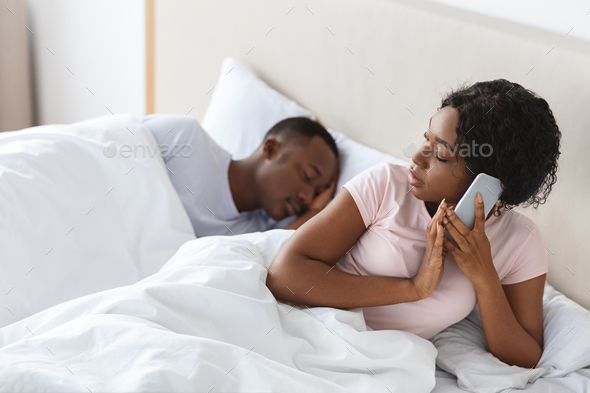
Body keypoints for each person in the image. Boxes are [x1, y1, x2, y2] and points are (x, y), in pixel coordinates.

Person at [266, 79, 561, 369]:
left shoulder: (520, 240)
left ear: (489, 183)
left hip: (383, 363)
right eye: (426, 138)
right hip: (310, 330)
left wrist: (484, 275)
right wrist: (414, 287)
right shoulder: (387, 184)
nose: (418, 157)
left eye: (442, 155)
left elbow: (525, 356)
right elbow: (284, 276)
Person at [141, 115, 339, 237]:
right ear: (271, 150)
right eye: (307, 176)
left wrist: (315, 211)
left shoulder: (254, 234)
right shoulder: (185, 139)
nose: (307, 197)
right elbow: (117, 150)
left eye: (317, 193)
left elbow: (272, 257)